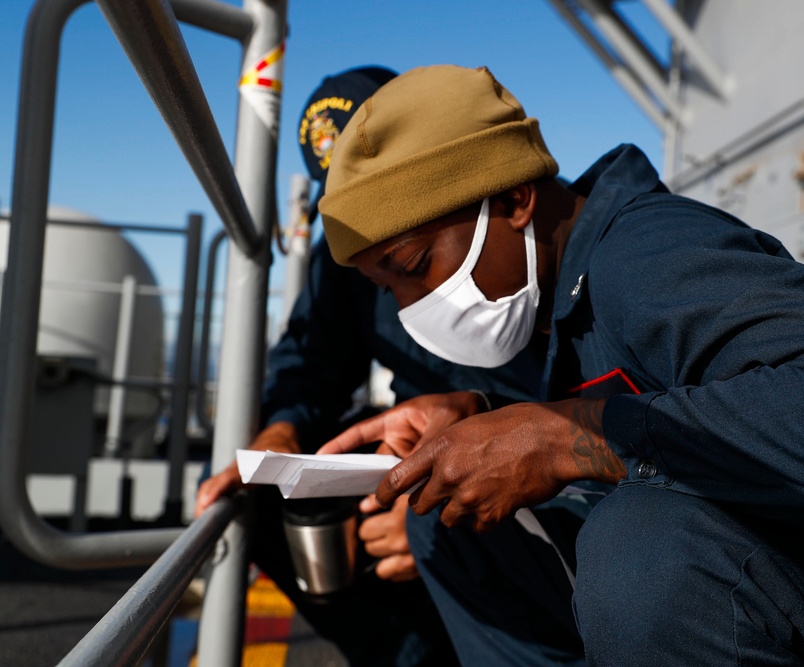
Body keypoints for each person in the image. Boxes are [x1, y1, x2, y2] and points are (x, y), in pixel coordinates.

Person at [315, 64, 804, 665]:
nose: (411, 308)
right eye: (386, 289)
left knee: (641, 550)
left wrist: (562, 436)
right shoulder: (547, 302)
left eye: (413, 268)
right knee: (448, 512)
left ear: (515, 201)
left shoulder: (647, 256)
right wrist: (485, 419)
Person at [194, 66, 546, 667]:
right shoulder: (349, 258)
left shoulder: (543, 257)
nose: (393, 285)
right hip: (418, 453)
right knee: (267, 502)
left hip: (534, 466)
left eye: (409, 262)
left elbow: (591, 421)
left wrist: (439, 509)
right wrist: (282, 430)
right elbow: (312, 357)